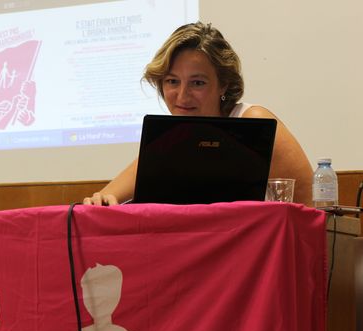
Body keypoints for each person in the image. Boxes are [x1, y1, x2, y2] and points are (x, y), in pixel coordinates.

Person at [84, 22, 313, 206]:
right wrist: (102, 201)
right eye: (172, 81)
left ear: (223, 84)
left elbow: (312, 211)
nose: (182, 96)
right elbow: (103, 199)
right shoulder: (172, 138)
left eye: (197, 82)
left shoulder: (255, 120)